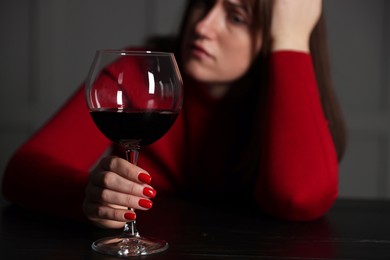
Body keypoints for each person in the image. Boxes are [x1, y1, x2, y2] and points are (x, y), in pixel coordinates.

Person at [2, 0, 346, 229]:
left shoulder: (289, 95)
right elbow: (22, 171)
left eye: (236, 17)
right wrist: (89, 196)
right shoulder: (139, 73)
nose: (203, 26)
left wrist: (291, 37)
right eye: (204, 2)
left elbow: (297, 198)